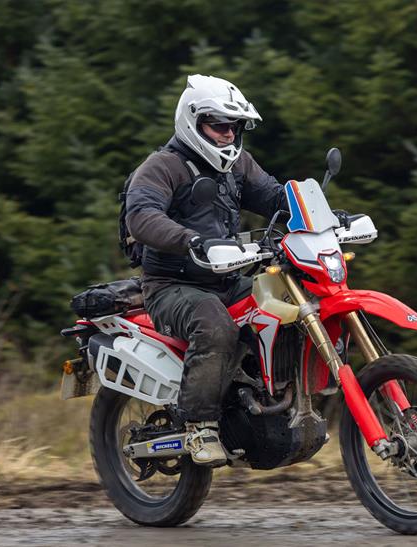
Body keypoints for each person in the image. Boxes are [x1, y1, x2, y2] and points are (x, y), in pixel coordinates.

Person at [125, 74, 288, 466]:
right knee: (215, 325)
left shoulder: (237, 165)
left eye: (234, 126)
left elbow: (272, 195)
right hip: (171, 286)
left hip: (228, 278)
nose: (229, 134)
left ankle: (269, 397)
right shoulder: (162, 166)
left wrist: (317, 213)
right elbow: (141, 216)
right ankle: (199, 427)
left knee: (284, 303)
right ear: (193, 122)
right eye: (219, 125)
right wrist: (191, 240)